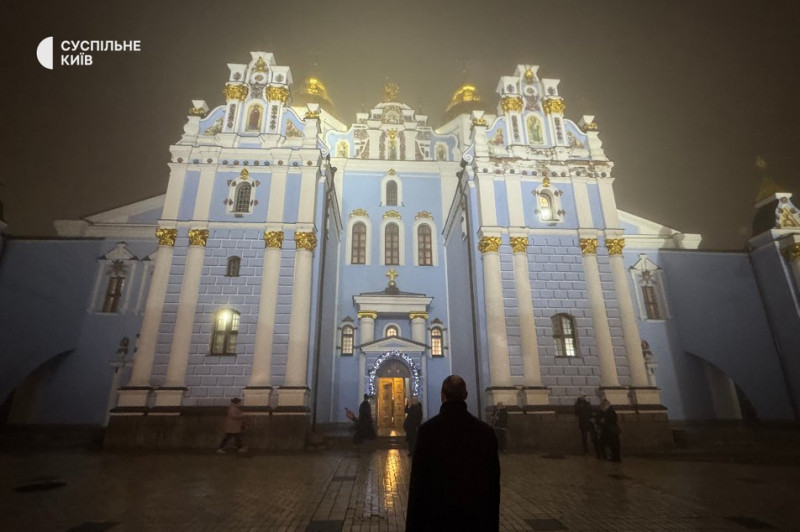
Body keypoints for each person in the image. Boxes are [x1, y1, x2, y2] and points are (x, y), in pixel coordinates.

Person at [406, 375, 500, 531]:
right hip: (474, 519)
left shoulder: (427, 432)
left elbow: (418, 486)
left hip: (438, 519)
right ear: (466, 395)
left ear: (442, 396)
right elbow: (493, 486)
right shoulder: (486, 432)